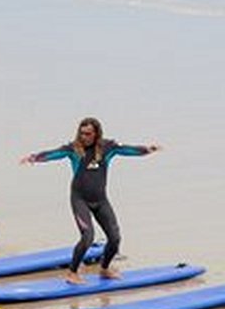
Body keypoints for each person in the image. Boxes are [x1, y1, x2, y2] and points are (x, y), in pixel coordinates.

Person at [21, 117, 160, 284]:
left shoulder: (108, 148)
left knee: (115, 238)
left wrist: (147, 149)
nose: (83, 137)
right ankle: (72, 273)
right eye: (81, 133)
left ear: (96, 134)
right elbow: (53, 154)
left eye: (87, 134)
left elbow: (129, 150)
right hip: (80, 199)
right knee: (88, 236)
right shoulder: (73, 149)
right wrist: (34, 158)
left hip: (100, 200)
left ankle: (104, 269)